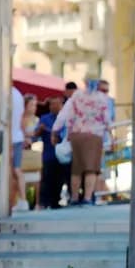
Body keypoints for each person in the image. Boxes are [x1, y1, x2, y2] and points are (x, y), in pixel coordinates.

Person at [52, 78, 112, 206]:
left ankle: (74, 197)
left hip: (77, 134)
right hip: (94, 135)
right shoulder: (101, 98)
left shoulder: (76, 96)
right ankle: (87, 197)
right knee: (91, 168)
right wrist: (111, 135)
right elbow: (106, 118)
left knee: (76, 169)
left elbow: (66, 115)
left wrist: (56, 131)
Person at [34, 96, 68, 210]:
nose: (53, 107)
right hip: (48, 155)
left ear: (61, 105)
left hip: (62, 155)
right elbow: (36, 134)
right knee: (46, 179)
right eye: (51, 104)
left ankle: (55, 201)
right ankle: (43, 202)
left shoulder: (65, 118)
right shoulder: (44, 118)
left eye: (56, 104)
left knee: (59, 179)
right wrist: (41, 129)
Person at [10, 85, 27, 211]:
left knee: (16, 170)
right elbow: (22, 119)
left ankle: (23, 200)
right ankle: (17, 201)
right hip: (18, 136)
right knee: (14, 171)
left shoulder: (8, 94)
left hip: (12, 137)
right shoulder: (19, 95)